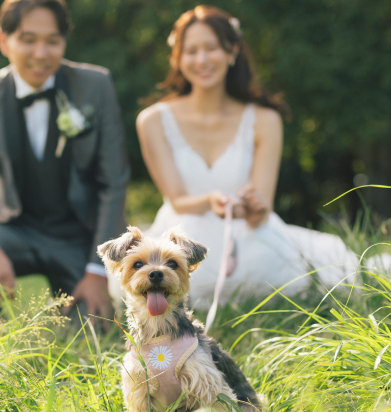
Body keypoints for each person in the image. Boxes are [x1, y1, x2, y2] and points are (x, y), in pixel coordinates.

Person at [135, 5, 370, 310]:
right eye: (190, 51)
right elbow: (177, 199)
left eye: (211, 48)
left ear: (232, 51)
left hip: (248, 233)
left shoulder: (265, 119)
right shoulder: (152, 120)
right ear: (177, 58)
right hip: (183, 232)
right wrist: (210, 201)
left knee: (301, 274)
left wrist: (253, 206)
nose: (202, 60)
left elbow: (263, 205)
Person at [0, 0, 130, 320]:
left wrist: (98, 269)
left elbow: (114, 183)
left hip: (78, 239)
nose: (41, 53)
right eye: (28, 40)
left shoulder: (95, 86)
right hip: (12, 230)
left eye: (52, 41)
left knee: (96, 329)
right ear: (4, 41)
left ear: (64, 42)